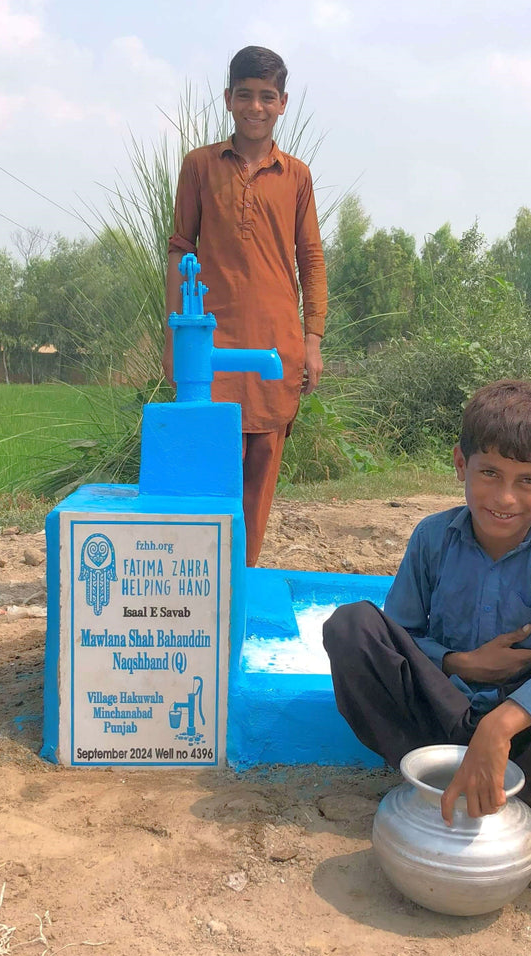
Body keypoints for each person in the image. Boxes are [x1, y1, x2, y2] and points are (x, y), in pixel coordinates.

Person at [323, 380, 531, 872]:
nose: (505, 497)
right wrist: (458, 662)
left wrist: (504, 721)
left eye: (528, 481)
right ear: (459, 464)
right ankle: (432, 778)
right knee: (352, 625)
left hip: (529, 733)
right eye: (489, 472)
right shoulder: (431, 538)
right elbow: (399, 637)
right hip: (443, 710)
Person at [164, 44, 327, 567]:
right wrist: (176, 339)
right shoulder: (199, 166)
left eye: (267, 97)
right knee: (211, 460)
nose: (256, 107)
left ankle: (243, 574)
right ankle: (202, 577)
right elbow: (179, 250)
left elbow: (311, 258)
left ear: (282, 104)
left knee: (261, 464)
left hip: (276, 344)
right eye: (245, 96)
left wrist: (313, 339)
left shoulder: (296, 176)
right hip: (210, 339)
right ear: (229, 99)